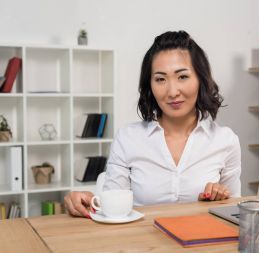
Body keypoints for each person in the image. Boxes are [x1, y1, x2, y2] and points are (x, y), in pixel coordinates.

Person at [64, 30, 241, 218]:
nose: (172, 92)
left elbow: (233, 210)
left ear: (200, 79)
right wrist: (88, 200)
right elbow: (111, 206)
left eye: (182, 76)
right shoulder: (128, 138)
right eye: (160, 79)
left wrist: (219, 198)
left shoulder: (226, 141)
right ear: (150, 86)